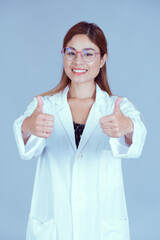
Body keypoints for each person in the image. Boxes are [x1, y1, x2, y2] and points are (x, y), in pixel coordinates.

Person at [13, 21, 147, 240]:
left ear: (103, 59)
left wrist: (127, 127)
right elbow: (26, 145)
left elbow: (137, 137)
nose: (78, 61)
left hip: (101, 227)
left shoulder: (118, 107)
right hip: (55, 224)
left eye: (88, 53)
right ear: (63, 55)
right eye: (71, 52)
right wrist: (28, 126)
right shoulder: (44, 105)